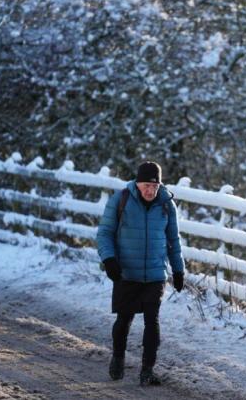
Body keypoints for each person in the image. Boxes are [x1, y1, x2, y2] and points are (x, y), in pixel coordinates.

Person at [96, 161, 185, 386]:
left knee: (152, 321)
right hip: (126, 272)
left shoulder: (166, 205)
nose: (150, 190)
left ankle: (147, 370)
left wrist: (178, 269)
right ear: (137, 183)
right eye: (146, 185)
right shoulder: (121, 200)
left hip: (155, 274)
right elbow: (105, 233)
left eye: (154, 186)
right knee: (124, 319)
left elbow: (173, 241)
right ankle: (118, 358)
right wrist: (109, 260)